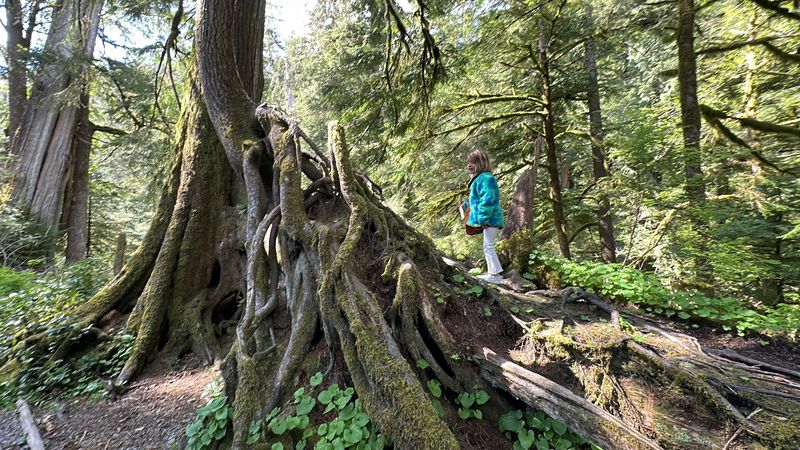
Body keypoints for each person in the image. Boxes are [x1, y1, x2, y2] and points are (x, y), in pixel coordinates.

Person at [465, 149, 504, 283]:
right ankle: (493, 273)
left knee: (488, 246)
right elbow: (477, 200)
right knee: (487, 246)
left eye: (473, 162)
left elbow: (488, 199)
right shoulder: (479, 178)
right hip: (489, 218)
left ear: (481, 163)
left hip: (490, 218)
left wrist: (483, 218)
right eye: (468, 162)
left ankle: (495, 276)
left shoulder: (485, 178)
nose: (469, 165)